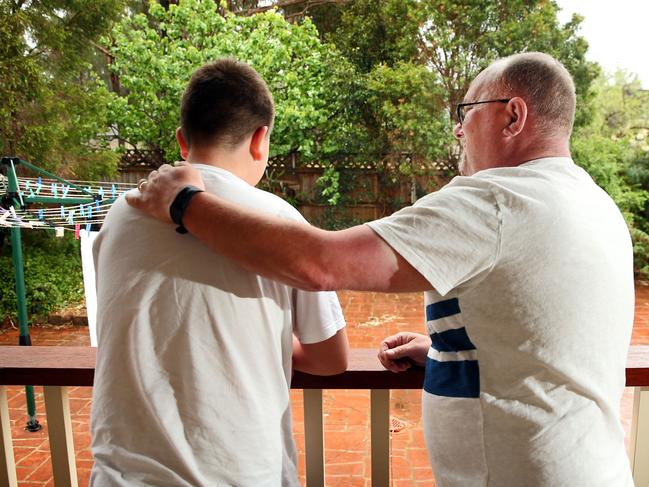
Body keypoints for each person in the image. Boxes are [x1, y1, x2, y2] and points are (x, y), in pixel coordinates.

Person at [127, 52, 635, 486]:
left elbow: (320, 263)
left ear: (513, 115)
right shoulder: (593, 204)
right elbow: (547, 337)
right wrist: (444, 354)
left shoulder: (499, 201)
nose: (458, 127)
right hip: (587, 465)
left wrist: (184, 202)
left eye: (466, 110)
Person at [90, 59, 348, 487]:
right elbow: (330, 358)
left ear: (182, 140)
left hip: (121, 475)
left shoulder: (119, 216)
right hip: (240, 473)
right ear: (260, 139)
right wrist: (266, 343)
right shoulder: (278, 218)